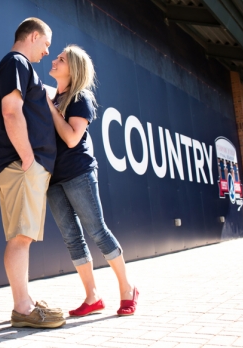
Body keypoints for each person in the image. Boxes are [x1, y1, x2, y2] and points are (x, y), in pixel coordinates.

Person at [46, 45, 139, 317]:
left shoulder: (79, 98)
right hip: (53, 179)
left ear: (73, 69)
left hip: (78, 173)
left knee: (97, 231)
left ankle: (127, 288)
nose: (54, 60)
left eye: (61, 59)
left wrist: (51, 110)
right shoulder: (52, 99)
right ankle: (93, 296)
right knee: (72, 239)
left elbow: (72, 138)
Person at [0, 18, 65, 328]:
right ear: (33, 37)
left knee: (23, 236)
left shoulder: (17, 65)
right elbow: (10, 110)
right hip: (22, 165)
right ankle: (22, 308)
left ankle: (26, 301)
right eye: (46, 45)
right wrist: (27, 157)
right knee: (21, 237)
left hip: (25, 166)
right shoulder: (17, 62)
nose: (48, 52)